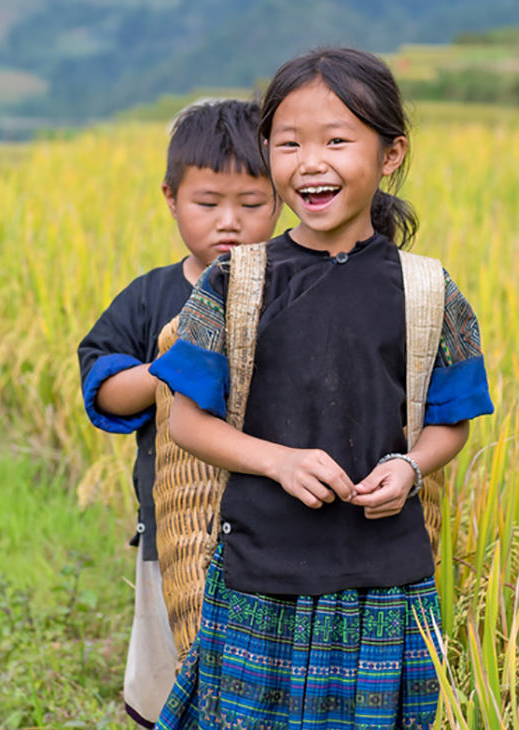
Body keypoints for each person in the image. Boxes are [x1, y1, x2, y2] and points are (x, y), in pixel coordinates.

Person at [148, 47, 495, 729]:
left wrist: (409, 466)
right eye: (289, 144)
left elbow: (452, 421)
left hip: (386, 584)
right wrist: (277, 460)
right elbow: (186, 423)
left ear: (390, 154)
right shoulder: (236, 283)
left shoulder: (430, 290)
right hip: (260, 575)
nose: (310, 162)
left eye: (337, 140)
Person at [76, 99, 283, 727]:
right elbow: (104, 387)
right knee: (171, 682)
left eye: (252, 205)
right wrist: (171, 362)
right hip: (169, 534)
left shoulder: (294, 287)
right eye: (207, 203)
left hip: (275, 534)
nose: (230, 223)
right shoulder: (151, 296)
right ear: (170, 197)